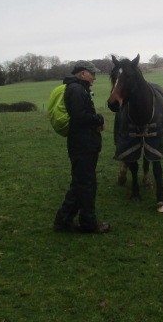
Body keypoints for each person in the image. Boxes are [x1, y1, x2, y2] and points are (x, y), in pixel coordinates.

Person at [54, 61, 110, 234]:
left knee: (81, 183)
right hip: (83, 144)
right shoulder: (77, 90)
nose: (95, 77)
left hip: (84, 143)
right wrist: (99, 118)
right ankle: (88, 223)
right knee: (85, 184)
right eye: (92, 74)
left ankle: (63, 221)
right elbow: (80, 116)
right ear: (83, 74)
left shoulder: (78, 88)